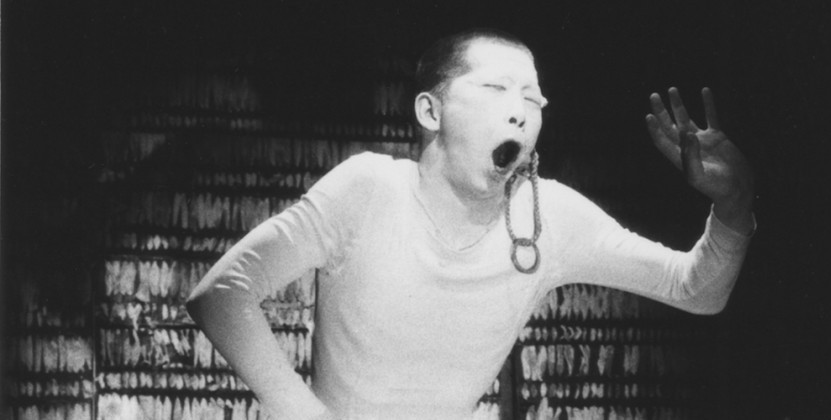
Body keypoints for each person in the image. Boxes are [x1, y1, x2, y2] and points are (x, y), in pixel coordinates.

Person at [186, 28, 755, 420]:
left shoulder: (548, 217)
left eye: (533, 99)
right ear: (430, 111)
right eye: (496, 89)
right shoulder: (370, 189)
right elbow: (223, 293)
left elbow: (696, 291)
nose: (520, 111)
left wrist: (732, 203)